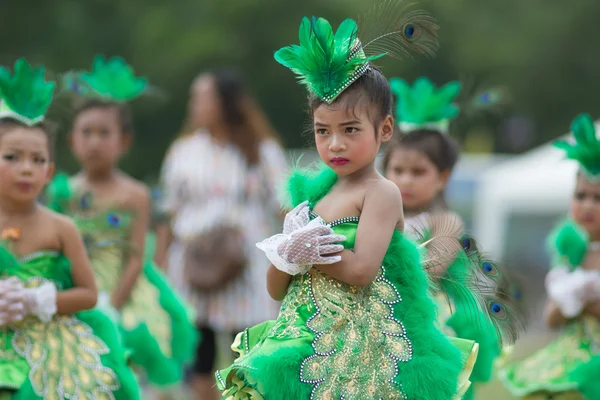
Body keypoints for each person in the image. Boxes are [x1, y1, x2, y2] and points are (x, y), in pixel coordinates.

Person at [216, 12, 480, 399]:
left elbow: (360, 270)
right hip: (303, 338)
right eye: (324, 131)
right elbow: (276, 290)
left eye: (350, 130)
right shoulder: (313, 197)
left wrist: (312, 253)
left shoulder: (381, 192)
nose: (335, 144)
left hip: (358, 350)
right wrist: (287, 255)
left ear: (384, 130)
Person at [46, 55, 198, 391]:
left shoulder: (135, 194)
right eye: (86, 133)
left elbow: (134, 256)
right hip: (75, 283)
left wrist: (112, 304)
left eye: (104, 133)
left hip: (123, 286)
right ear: (72, 140)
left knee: (124, 359)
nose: (95, 141)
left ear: (123, 141)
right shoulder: (64, 191)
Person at [0, 58, 139, 400]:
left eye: (38, 160)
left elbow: (88, 295)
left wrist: (36, 300)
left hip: (46, 344)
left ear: (50, 172)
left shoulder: (61, 227)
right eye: (12, 158)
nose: (26, 169)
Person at [155, 69, 287, 399]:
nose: (194, 105)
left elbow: (284, 206)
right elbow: (168, 215)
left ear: (224, 102)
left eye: (201, 98)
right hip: (193, 269)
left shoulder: (260, 150)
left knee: (248, 356)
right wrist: (158, 271)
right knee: (198, 357)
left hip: (244, 268)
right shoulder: (183, 151)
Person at [383, 77, 504, 400]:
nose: (405, 180)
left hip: (434, 321)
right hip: (385, 316)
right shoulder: (378, 216)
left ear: (443, 177)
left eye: (418, 172)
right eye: (397, 170)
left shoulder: (444, 221)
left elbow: (432, 268)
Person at [500, 113, 600, 400]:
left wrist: (585, 300)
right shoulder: (571, 254)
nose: (588, 205)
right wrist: (569, 299)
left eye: (598, 198)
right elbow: (552, 318)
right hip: (568, 357)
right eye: (581, 196)